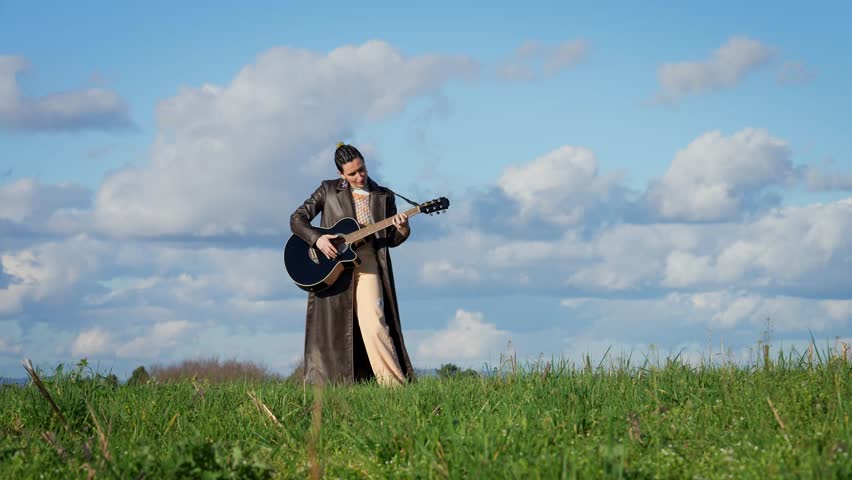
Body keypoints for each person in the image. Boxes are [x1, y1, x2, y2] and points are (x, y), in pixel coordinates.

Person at [290, 143, 416, 386]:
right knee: (332, 332)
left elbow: (390, 239)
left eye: (362, 170)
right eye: (352, 173)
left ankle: (395, 388)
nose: (360, 177)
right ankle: (332, 389)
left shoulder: (384, 195)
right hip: (334, 266)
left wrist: (402, 228)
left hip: (368, 265)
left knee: (375, 323)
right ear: (341, 175)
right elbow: (297, 219)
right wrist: (318, 239)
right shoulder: (327, 190)